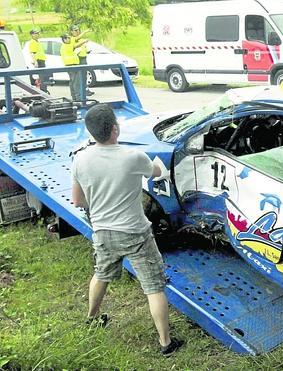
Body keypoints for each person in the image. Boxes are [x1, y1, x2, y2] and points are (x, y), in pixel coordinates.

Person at [72, 104, 184, 356]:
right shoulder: (132, 157)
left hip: (102, 232)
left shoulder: (80, 159)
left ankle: (92, 317)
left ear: (91, 133)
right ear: (115, 129)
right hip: (135, 233)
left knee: (101, 274)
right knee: (154, 287)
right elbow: (156, 171)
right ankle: (166, 343)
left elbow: (78, 201)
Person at [60, 33, 87, 101]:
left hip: (70, 65)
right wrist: (84, 41)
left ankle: (74, 97)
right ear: (64, 39)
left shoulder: (66, 45)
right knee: (76, 82)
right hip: (72, 65)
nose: (69, 39)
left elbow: (76, 38)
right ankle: (78, 98)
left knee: (72, 82)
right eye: (68, 38)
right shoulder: (66, 46)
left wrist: (85, 32)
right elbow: (76, 45)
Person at [70, 25, 94, 96]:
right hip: (78, 59)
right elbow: (76, 45)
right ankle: (79, 93)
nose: (77, 32)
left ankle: (85, 90)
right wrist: (85, 32)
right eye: (75, 30)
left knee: (84, 76)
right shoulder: (72, 39)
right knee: (78, 78)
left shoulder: (79, 40)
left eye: (78, 30)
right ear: (71, 32)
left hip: (84, 58)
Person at [27, 28, 50, 93]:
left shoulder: (38, 42)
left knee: (44, 76)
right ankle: (43, 90)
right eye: (36, 33)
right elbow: (32, 53)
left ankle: (44, 89)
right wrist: (35, 61)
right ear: (32, 35)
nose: (38, 35)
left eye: (38, 33)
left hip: (42, 60)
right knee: (42, 77)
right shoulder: (32, 42)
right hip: (38, 61)